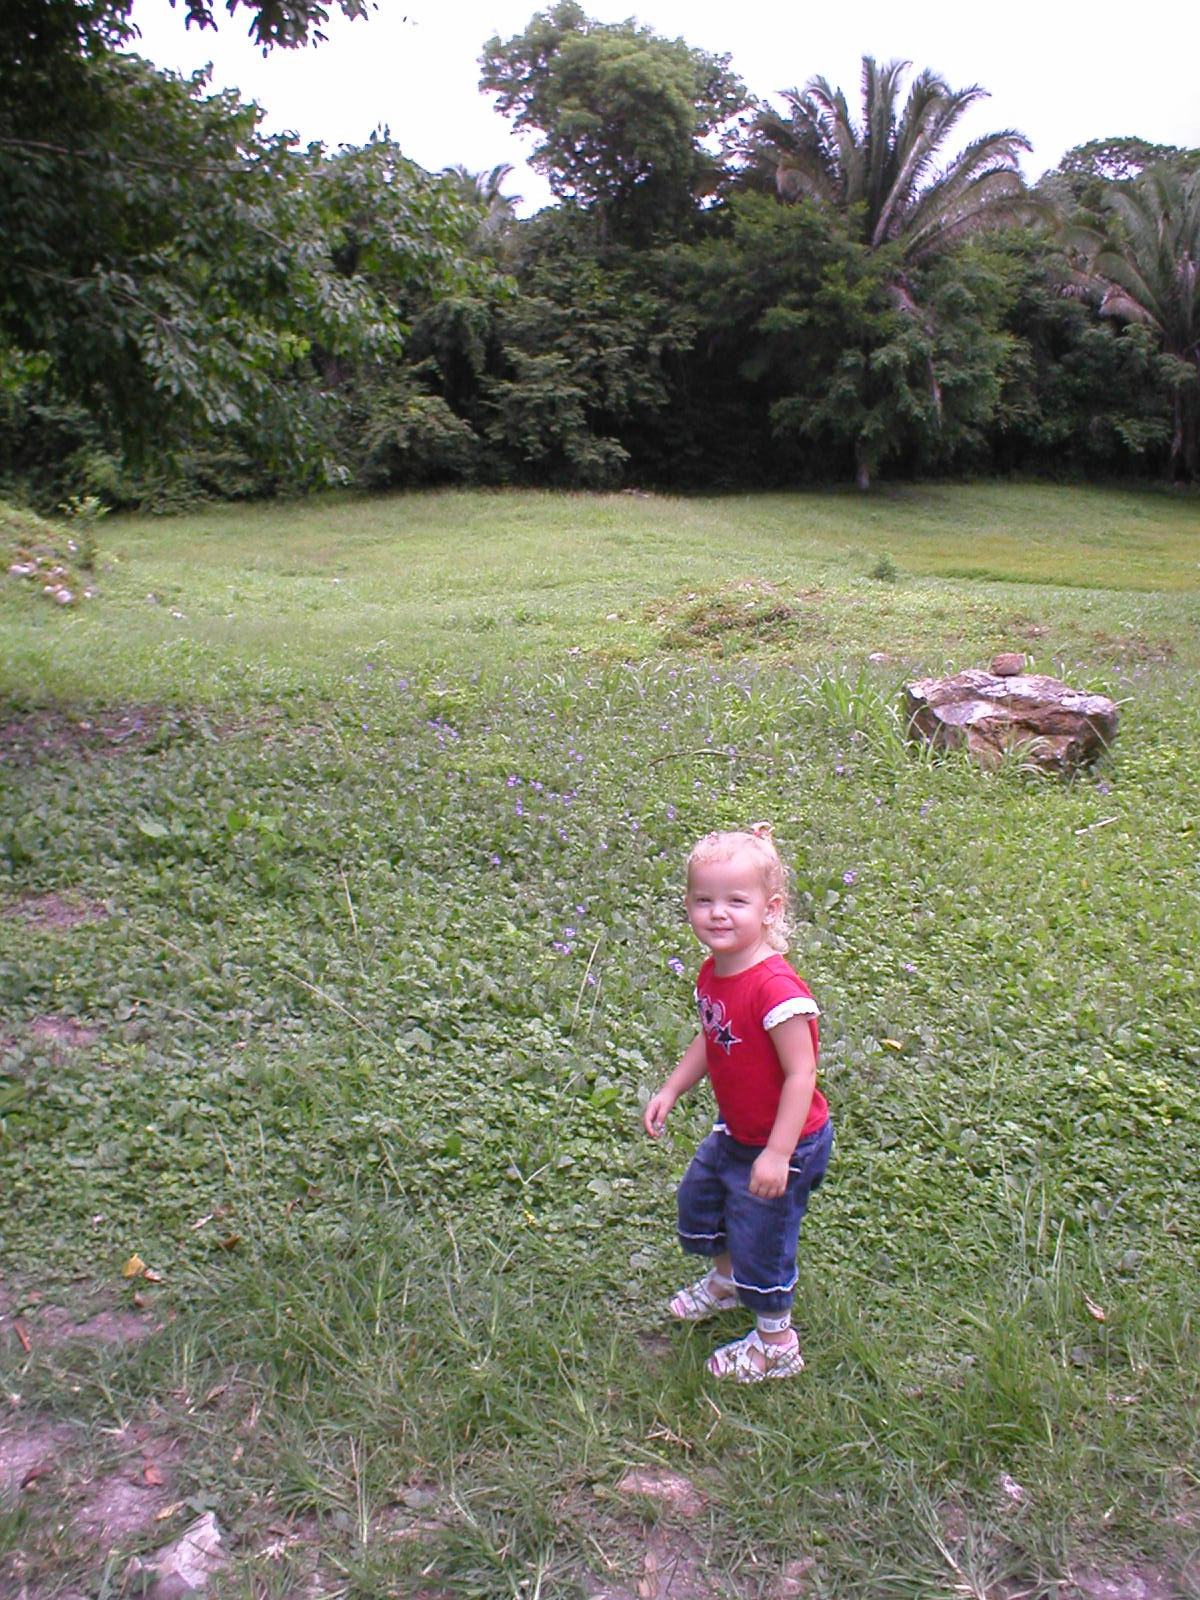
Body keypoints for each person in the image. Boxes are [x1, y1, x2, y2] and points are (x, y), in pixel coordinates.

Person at [643, 824, 833, 1382]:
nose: (718, 913)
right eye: (704, 900)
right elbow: (712, 1035)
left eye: (736, 901)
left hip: (785, 1139)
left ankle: (777, 1343)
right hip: (738, 1130)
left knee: (762, 1234)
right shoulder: (715, 973)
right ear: (688, 905)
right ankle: (726, 1283)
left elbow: (801, 1074)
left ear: (770, 909)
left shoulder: (776, 990)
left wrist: (776, 1154)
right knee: (702, 1199)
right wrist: (673, 1088)